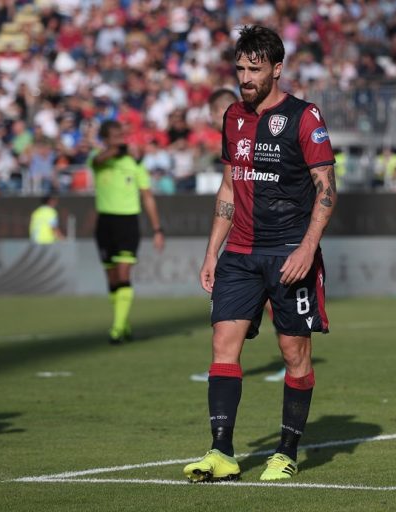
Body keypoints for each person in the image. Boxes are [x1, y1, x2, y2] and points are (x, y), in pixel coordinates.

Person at [183, 25, 336, 483]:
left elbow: (326, 188)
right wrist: (212, 252)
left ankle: (286, 452)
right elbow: (228, 187)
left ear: (276, 68)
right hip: (241, 253)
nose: (245, 77)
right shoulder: (232, 117)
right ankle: (221, 452)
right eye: (241, 68)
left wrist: (308, 249)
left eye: (254, 68)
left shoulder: (304, 117)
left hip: (290, 253)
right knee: (222, 344)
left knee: (294, 354)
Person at [188, 87, 286, 384]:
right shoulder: (234, 135)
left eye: (214, 113)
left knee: (270, 303)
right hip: (243, 237)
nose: (214, 119)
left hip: (265, 237)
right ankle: (223, 365)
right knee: (239, 305)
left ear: (222, 110)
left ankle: (289, 361)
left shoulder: (256, 130)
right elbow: (229, 188)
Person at [90, 120, 165, 344]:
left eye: (121, 136)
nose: (120, 140)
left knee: (124, 273)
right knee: (112, 278)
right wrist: (115, 149)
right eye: (114, 137)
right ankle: (124, 323)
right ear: (106, 139)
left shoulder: (135, 164)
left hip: (127, 222)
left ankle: (116, 329)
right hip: (104, 223)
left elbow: (147, 196)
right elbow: (98, 159)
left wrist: (157, 229)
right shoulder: (99, 160)